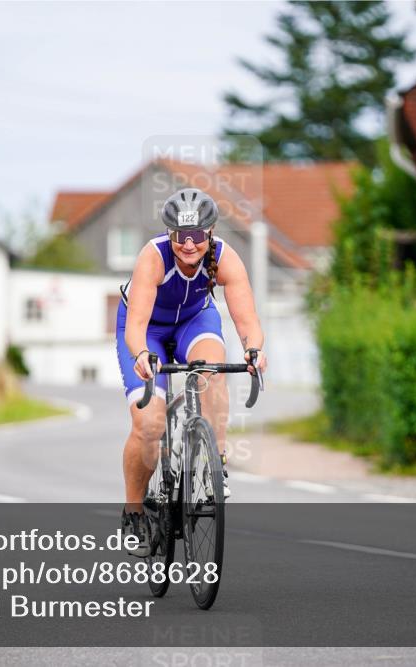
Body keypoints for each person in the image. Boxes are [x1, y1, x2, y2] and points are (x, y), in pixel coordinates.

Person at [116, 187, 267, 557]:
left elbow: (248, 321)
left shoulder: (225, 258)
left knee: (213, 369)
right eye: (181, 236)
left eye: (197, 236)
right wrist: (140, 354)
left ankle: (217, 463)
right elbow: (136, 326)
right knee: (149, 425)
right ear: (171, 235)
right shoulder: (153, 258)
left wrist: (254, 350)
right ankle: (135, 512)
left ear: (210, 233)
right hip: (146, 328)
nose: (189, 245)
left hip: (194, 321)